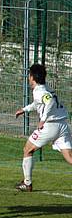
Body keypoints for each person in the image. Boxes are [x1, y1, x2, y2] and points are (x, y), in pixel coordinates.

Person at [14, 63, 72, 191]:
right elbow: (38, 103)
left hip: (50, 125)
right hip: (63, 125)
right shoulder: (45, 88)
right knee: (69, 158)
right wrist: (24, 109)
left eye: (29, 75)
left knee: (27, 149)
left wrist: (43, 120)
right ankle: (27, 183)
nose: (28, 78)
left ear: (32, 77)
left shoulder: (40, 91)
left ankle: (27, 183)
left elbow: (49, 101)